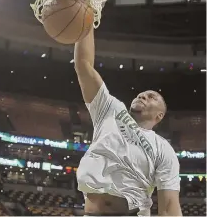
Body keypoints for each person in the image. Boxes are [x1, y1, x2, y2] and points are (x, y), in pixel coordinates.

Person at [75, 27, 182, 216]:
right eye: (142, 94)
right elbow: (83, 65)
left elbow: (168, 207)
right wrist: (86, 22)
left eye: (152, 97)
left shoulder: (163, 148)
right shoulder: (110, 109)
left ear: (159, 116)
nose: (143, 95)